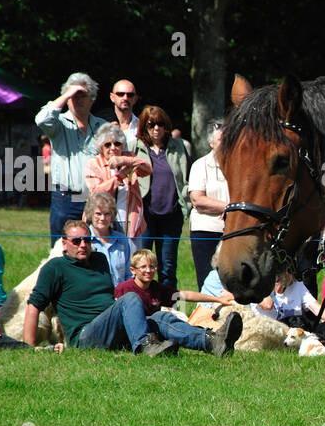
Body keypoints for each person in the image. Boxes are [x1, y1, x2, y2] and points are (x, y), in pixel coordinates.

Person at [24, 218, 171, 354]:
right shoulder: (55, 267)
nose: (83, 245)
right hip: (85, 336)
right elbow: (34, 305)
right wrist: (28, 348)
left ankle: (191, 340)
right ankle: (146, 346)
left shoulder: (100, 260)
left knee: (161, 317)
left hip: (110, 328)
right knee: (130, 298)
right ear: (64, 243)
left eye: (87, 240)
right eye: (76, 241)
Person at [114, 249, 242, 357]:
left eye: (152, 266)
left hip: (150, 334)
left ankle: (214, 341)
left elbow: (185, 295)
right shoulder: (124, 288)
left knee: (165, 318)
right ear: (132, 270)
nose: (148, 270)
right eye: (143, 267)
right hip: (129, 334)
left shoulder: (156, 288)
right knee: (160, 317)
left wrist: (218, 299)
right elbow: (117, 317)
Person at [35, 72, 107, 244]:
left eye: (82, 95)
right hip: (64, 199)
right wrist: (68, 92)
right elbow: (41, 119)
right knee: (61, 249)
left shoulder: (102, 126)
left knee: (94, 248)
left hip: (94, 199)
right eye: (74, 96)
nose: (78, 99)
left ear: (92, 98)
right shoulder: (58, 123)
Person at [134, 105, 190, 289]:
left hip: (172, 215)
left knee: (167, 266)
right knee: (142, 265)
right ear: (144, 126)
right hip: (146, 215)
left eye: (160, 124)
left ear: (166, 126)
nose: (156, 128)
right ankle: (143, 304)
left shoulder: (180, 147)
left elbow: (187, 179)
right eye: (151, 124)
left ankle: (170, 309)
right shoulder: (136, 148)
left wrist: (186, 206)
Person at [84, 123, 148, 239]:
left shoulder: (129, 157)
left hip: (129, 219)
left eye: (117, 144)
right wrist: (120, 176)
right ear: (101, 147)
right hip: (104, 220)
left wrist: (124, 160)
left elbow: (148, 169)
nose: (113, 148)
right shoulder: (93, 163)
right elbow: (97, 192)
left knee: (131, 256)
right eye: (107, 145)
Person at [259, 269, 325, 349]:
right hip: (274, 334)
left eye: (291, 271)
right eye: (287, 271)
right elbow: (268, 305)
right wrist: (271, 285)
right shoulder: (259, 286)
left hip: (298, 332)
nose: (290, 275)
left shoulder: (297, 285)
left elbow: (317, 309)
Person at [187, 120, 229, 289]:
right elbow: (197, 199)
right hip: (206, 230)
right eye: (221, 140)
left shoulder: (238, 164)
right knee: (208, 280)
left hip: (232, 230)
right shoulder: (200, 165)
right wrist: (229, 207)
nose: (227, 143)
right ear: (211, 143)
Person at [83, 191, 132, 287]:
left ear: (112, 215)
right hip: (93, 296)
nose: (102, 218)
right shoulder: (83, 239)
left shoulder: (122, 240)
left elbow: (128, 274)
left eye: (107, 214)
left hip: (119, 295)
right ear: (90, 214)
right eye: (98, 213)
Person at [109, 79, 140, 148]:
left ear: (135, 99)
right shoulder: (101, 124)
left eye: (130, 95)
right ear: (112, 97)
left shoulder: (142, 127)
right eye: (120, 94)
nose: (125, 98)